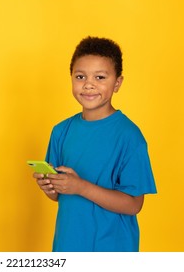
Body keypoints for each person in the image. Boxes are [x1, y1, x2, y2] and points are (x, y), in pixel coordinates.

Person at [33, 36, 157, 252]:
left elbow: (134, 204)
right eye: (80, 76)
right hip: (68, 246)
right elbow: (59, 195)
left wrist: (81, 187)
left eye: (100, 77)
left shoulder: (129, 136)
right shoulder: (61, 131)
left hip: (111, 248)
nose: (89, 84)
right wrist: (49, 187)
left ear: (117, 83)